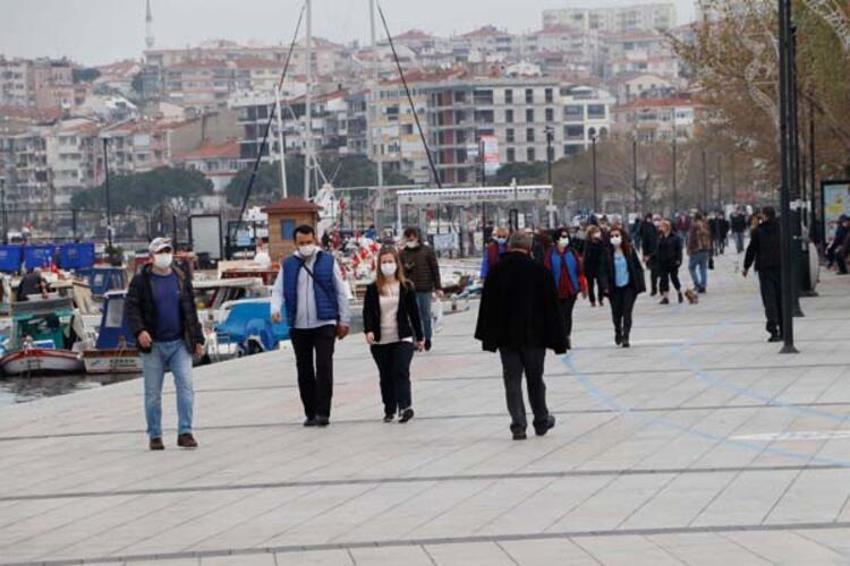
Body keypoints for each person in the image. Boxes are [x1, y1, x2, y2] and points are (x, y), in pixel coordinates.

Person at [474, 231, 567, 441]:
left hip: (506, 337)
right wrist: (558, 339)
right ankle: (541, 420)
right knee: (535, 380)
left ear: (509, 246)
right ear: (529, 247)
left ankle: (518, 425)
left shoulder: (497, 271)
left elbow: (487, 307)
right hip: (534, 337)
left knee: (512, 380)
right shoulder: (539, 271)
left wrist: (488, 337)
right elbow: (551, 308)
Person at [126, 237, 204, 451]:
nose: (165, 255)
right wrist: (139, 331)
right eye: (161, 252)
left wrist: (198, 338)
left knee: (186, 387)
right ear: (151, 257)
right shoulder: (141, 281)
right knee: (152, 394)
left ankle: (185, 432)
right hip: (153, 345)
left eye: (168, 251)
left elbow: (190, 310)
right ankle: (155, 434)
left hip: (180, 342)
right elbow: (131, 309)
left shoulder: (180, 276)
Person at [271, 224, 351, 427]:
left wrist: (344, 320)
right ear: (295, 244)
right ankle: (310, 412)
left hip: (324, 321)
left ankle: (324, 412)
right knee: (304, 370)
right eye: (301, 243)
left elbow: (340, 290)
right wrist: (275, 308)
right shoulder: (288, 264)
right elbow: (278, 290)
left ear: (314, 240)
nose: (305, 246)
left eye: (308, 242)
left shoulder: (327, 261)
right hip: (299, 325)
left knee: (324, 367)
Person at [363, 247, 424, 423]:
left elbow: (414, 314)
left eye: (390, 261)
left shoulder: (406, 287)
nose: (387, 265)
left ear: (397, 264)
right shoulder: (373, 288)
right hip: (381, 340)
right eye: (384, 262)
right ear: (379, 264)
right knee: (386, 375)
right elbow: (368, 312)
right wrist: (368, 331)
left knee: (401, 371)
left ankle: (405, 406)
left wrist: (420, 337)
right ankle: (389, 408)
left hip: (402, 337)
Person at [600, 227, 645, 348]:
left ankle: (626, 336)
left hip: (628, 287)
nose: (615, 238)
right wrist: (604, 286)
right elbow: (602, 271)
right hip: (613, 288)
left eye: (617, 235)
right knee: (616, 313)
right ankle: (618, 331)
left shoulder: (629, 250)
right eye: (612, 236)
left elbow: (637, 267)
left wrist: (639, 284)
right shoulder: (606, 252)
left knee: (627, 312)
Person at [743, 206, 783, 342]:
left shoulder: (758, 232)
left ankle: (774, 330)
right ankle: (784, 329)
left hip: (765, 268)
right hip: (781, 267)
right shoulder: (781, 229)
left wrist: (746, 267)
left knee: (769, 299)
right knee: (781, 298)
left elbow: (751, 250)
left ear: (764, 216)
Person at [543, 228, 587, 350]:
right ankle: (559, 337)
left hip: (571, 288)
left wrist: (582, 286)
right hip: (555, 289)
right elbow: (546, 270)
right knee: (558, 314)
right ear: (556, 239)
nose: (565, 239)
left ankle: (566, 336)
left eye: (566, 236)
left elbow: (579, 270)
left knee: (567, 313)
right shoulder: (550, 254)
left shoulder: (572, 252)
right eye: (562, 236)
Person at [400, 227, 442, 351]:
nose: (411, 238)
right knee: (413, 316)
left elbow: (435, 269)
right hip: (410, 289)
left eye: (413, 236)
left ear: (418, 236)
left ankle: (427, 338)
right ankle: (416, 340)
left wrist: (438, 287)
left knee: (426, 315)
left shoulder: (427, 251)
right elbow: (400, 272)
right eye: (408, 236)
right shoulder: (402, 253)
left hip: (425, 288)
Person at [656, 220, 683, 304]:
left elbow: (679, 250)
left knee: (674, 278)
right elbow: (658, 249)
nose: (660, 228)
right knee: (664, 279)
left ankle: (679, 291)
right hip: (662, 261)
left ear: (667, 227)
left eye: (662, 226)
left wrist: (678, 260)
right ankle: (665, 297)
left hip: (672, 261)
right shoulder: (660, 237)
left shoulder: (675, 237)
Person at [687, 212, 712, 293]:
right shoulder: (705, 225)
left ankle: (697, 284)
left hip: (696, 249)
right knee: (703, 268)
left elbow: (691, 238)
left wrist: (689, 249)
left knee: (691, 267)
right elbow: (710, 237)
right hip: (706, 249)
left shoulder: (694, 226)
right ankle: (703, 285)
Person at [584, 225, 607, 307]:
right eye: (595, 232)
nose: (597, 234)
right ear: (590, 234)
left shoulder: (601, 242)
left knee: (601, 283)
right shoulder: (587, 243)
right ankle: (592, 300)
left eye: (597, 232)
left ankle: (600, 299)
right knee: (591, 285)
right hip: (590, 267)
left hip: (599, 266)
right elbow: (586, 256)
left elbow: (604, 253)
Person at [640, 214, 660, 296]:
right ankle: (654, 289)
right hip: (652, 253)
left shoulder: (657, 228)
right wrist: (645, 255)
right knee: (654, 272)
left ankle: (660, 288)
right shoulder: (646, 228)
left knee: (659, 272)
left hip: (659, 253)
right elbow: (644, 242)